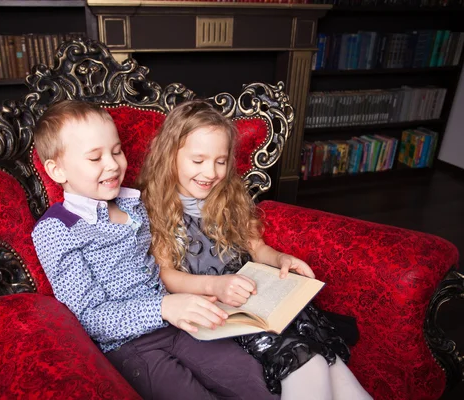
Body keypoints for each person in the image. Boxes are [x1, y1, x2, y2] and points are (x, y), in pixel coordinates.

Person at [30, 100, 279, 400]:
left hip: (180, 324)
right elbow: (88, 318)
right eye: (95, 158)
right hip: (129, 346)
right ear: (57, 170)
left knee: (249, 378)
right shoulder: (56, 230)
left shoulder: (133, 202)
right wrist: (162, 307)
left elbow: (170, 250)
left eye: (117, 151)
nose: (112, 165)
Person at [138, 100, 373, 400]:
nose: (210, 172)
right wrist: (215, 285)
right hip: (226, 317)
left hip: (261, 300)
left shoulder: (228, 196)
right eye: (198, 161)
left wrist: (280, 259)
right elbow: (165, 274)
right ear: (170, 156)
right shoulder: (154, 209)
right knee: (308, 361)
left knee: (332, 364)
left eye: (220, 161)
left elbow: (256, 246)